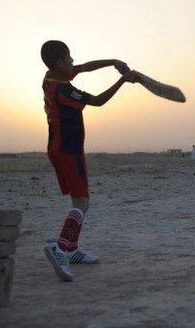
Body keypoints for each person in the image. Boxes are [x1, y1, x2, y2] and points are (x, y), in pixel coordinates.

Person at [40, 40, 138, 281]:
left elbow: (86, 67)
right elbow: (97, 101)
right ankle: (61, 248)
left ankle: (72, 250)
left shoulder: (51, 77)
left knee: (78, 201)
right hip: (68, 150)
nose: (74, 61)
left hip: (56, 148)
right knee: (82, 203)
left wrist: (113, 62)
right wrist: (123, 80)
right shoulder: (63, 90)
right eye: (69, 58)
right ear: (60, 63)